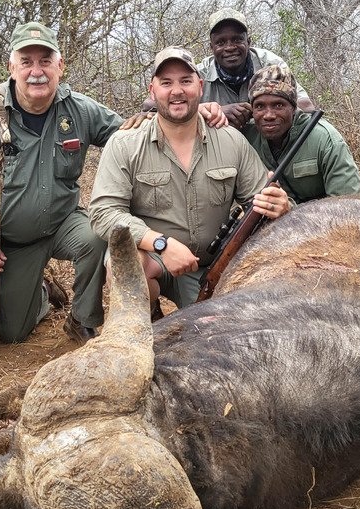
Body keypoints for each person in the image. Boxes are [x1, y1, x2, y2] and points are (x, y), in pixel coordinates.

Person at [0, 21, 227, 345]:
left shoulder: (80, 110)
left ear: (60, 66)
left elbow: (135, 135)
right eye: (26, 61)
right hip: (10, 241)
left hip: (63, 223)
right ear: (11, 67)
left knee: (102, 233)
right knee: (11, 333)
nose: (36, 71)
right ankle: (40, 291)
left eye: (45, 61)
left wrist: (197, 114)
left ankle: (83, 320)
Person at [90, 47, 291, 311]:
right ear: (152, 90)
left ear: (200, 86)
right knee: (124, 266)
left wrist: (281, 207)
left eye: (185, 81)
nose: (177, 91)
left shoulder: (231, 140)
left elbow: (260, 201)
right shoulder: (125, 143)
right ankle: (147, 316)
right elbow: (104, 212)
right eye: (166, 83)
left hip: (212, 264)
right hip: (155, 257)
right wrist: (161, 244)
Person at [243, 65, 360, 203]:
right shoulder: (245, 138)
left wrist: (289, 211)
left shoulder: (326, 140)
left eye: (278, 105)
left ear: (293, 108)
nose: (269, 115)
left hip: (321, 222)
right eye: (260, 106)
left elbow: (347, 209)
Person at [198, 9, 316, 128]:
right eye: (221, 42)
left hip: (266, 141)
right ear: (211, 47)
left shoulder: (271, 65)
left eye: (237, 39)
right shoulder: (198, 75)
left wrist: (258, 112)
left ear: (248, 42)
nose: (229, 47)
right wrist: (216, 112)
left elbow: (306, 107)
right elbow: (181, 115)